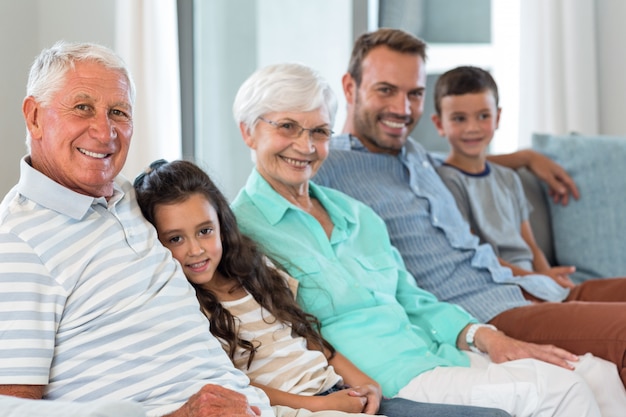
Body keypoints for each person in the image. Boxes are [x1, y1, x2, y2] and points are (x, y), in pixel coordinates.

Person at [227, 60, 626, 416]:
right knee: (560, 391)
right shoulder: (241, 233)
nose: (306, 146)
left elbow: (413, 299)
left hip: (438, 352)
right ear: (248, 131)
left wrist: (484, 335)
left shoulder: (356, 215)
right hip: (391, 378)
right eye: (287, 127)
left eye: (319, 131)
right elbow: (280, 340)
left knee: (598, 373)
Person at [0, 40, 312, 417]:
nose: (104, 131)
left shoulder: (130, 199)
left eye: (119, 112)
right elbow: (12, 410)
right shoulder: (16, 243)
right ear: (34, 116)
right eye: (82, 108)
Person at [311, 28, 626, 388]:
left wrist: (526, 158)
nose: (403, 109)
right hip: (487, 312)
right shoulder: (326, 166)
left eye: (414, 94)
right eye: (386, 90)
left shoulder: (415, 156)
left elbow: (467, 157)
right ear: (350, 88)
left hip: (527, 286)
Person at [133, 158, 510, 417]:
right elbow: (242, 385)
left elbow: (313, 341)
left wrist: (368, 386)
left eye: (204, 231)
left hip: (338, 394)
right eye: (175, 239)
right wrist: (319, 407)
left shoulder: (254, 271)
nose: (195, 249)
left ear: (221, 223)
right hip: (298, 409)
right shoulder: (187, 309)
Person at [433, 65, 577, 298]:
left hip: (534, 281)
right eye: (459, 119)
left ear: (497, 117)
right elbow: (473, 254)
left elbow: (530, 245)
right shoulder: (445, 181)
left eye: (483, 116)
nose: (472, 128)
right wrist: (534, 279)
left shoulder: (509, 178)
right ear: (439, 124)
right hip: (499, 284)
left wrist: (548, 276)